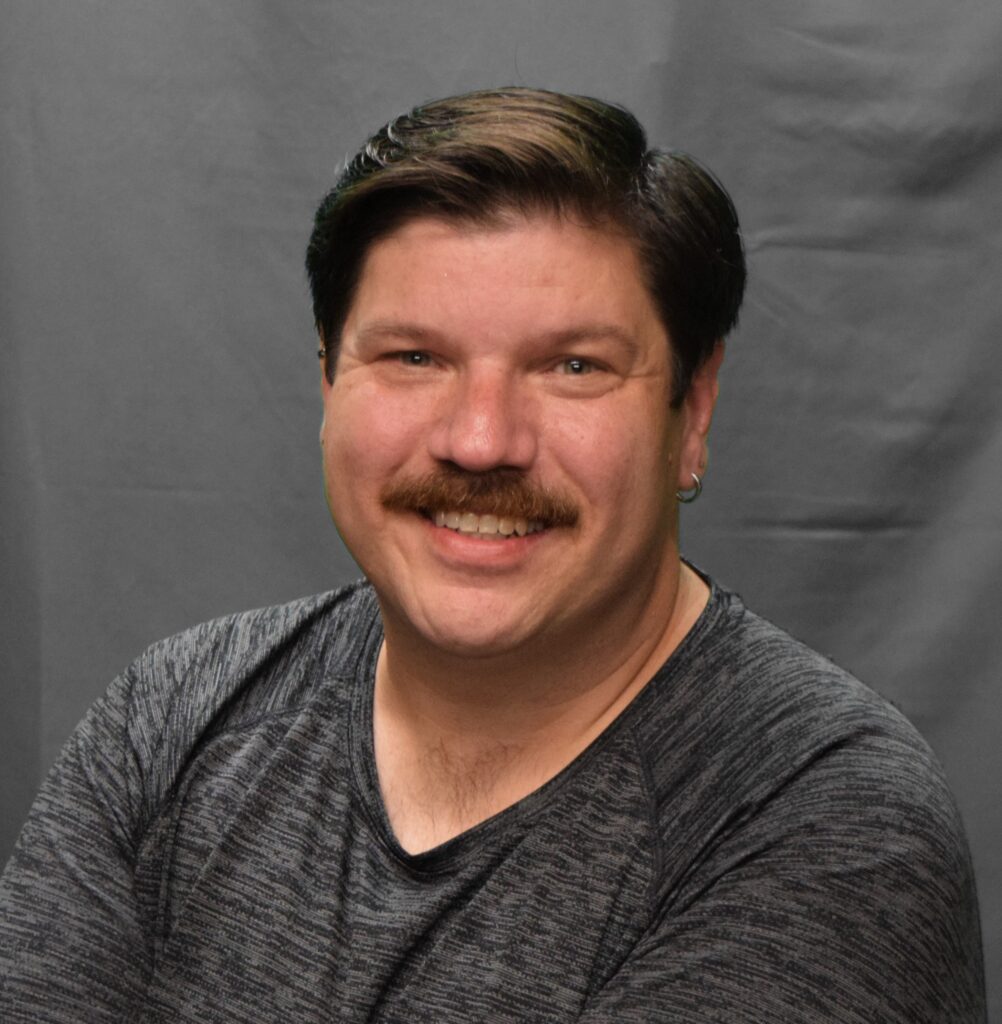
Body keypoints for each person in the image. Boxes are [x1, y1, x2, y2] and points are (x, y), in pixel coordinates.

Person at [0, 87, 986, 1021]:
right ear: (329, 383)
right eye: (414, 357)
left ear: (691, 411)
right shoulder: (171, 722)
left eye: (573, 366)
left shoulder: (826, 817)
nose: (480, 441)